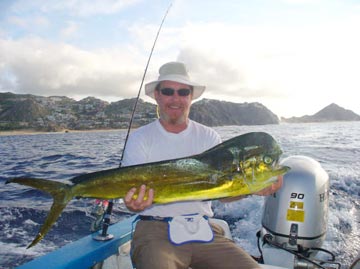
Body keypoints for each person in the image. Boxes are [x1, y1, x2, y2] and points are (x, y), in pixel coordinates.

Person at [121, 61, 282, 269]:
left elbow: (224, 193)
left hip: (203, 230)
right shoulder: (140, 138)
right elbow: (129, 194)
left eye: (183, 92)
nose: (176, 98)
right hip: (155, 231)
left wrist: (253, 189)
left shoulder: (209, 136)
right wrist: (132, 204)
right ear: (157, 95)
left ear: (191, 97)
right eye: (168, 91)